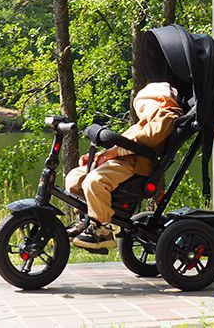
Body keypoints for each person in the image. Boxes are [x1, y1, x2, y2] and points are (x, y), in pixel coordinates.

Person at [65, 82, 182, 251]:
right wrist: (100, 156)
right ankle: (87, 218)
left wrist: (112, 153)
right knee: (75, 177)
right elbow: (122, 143)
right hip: (123, 163)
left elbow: (147, 138)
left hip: (135, 166)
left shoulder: (166, 116)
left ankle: (103, 230)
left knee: (95, 181)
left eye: (142, 108)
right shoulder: (144, 122)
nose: (141, 114)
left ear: (162, 101)